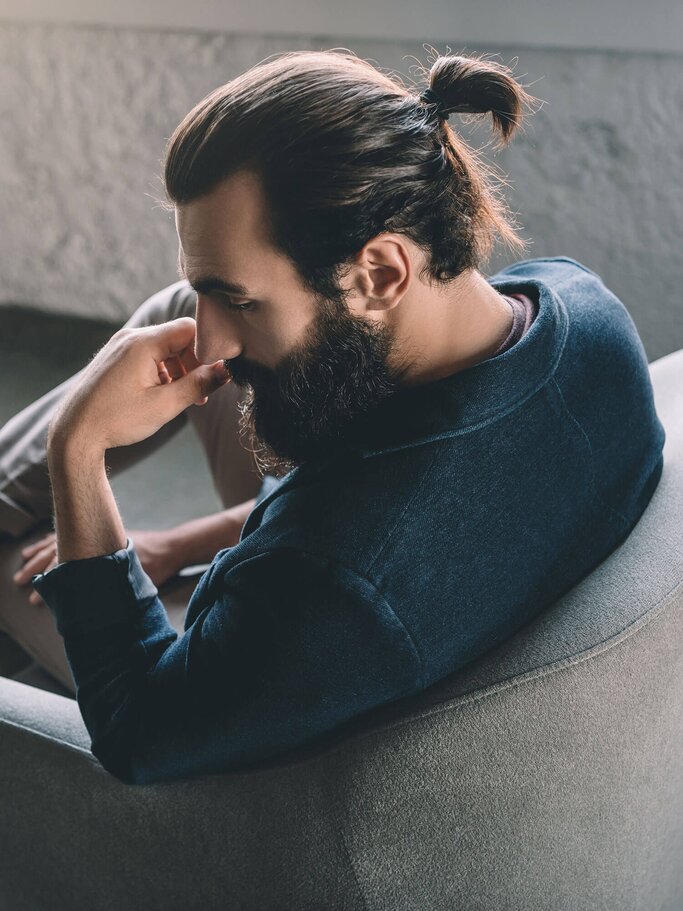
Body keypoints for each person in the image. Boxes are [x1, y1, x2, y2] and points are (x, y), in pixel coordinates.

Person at [0, 49, 666, 785]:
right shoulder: (581, 311)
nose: (214, 336)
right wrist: (174, 543)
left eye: (240, 301)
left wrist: (79, 443)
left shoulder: (335, 572)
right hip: (366, 576)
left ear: (381, 271)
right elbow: (409, 513)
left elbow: (137, 728)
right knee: (170, 323)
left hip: (253, 668)